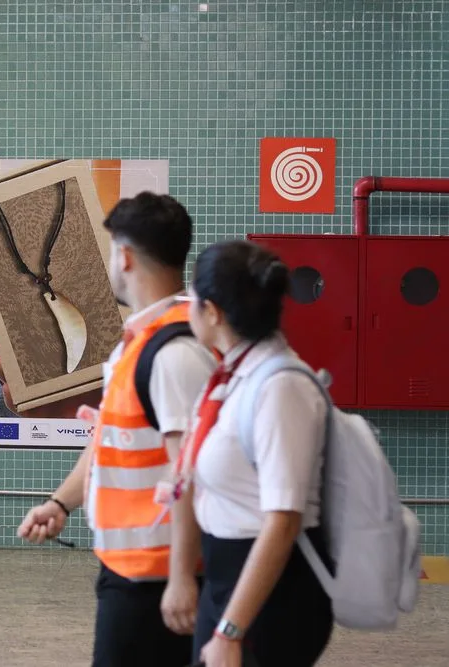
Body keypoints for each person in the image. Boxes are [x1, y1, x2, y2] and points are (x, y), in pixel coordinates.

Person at [0, 192, 218, 666]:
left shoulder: (175, 354)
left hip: (159, 578)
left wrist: (179, 579)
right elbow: (107, 439)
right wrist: (59, 502)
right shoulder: (137, 344)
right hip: (129, 569)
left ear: (125, 256)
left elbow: (192, 476)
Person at [161, 239, 334, 667]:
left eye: (193, 300)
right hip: (230, 579)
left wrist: (231, 630)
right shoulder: (237, 373)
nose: (188, 309)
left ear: (214, 312)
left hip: (271, 594)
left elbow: (283, 519)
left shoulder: (279, 387)